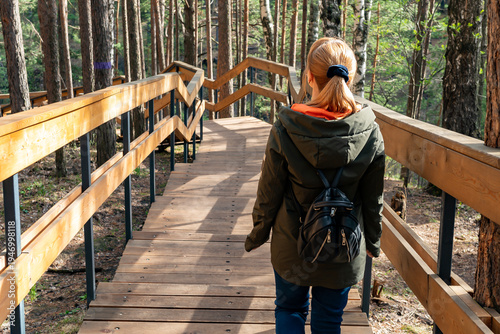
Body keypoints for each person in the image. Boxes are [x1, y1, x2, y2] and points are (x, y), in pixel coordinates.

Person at [244, 37, 385, 334]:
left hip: (292, 243)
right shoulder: (369, 130)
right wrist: (373, 241)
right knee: (329, 319)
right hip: (343, 246)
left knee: (290, 309)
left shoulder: (286, 126)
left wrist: (258, 233)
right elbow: (373, 199)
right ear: (352, 76)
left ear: (309, 77)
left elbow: (268, 192)